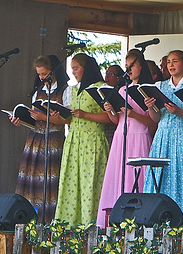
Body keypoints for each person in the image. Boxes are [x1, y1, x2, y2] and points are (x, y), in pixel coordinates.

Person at [96, 49, 157, 227]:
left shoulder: (147, 89)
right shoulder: (122, 89)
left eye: (132, 66)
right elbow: (116, 120)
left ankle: (138, 217)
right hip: (121, 137)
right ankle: (115, 217)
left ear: (141, 67)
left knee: (136, 176)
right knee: (118, 176)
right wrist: (110, 110)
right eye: (126, 66)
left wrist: (133, 114)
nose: (128, 69)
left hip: (139, 137)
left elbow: (153, 122)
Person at [11, 55, 69, 222]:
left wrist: (45, 117)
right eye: (39, 74)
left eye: (44, 74)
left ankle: (49, 220)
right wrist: (20, 120)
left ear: (54, 72)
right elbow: (33, 119)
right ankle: (29, 218)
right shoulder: (38, 91)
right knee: (31, 181)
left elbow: (68, 120)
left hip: (54, 139)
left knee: (49, 183)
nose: (42, 78)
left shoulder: (65, 90)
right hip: (35, 139)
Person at [55, 53, 110, 225]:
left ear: (86, 68)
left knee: (90, 184)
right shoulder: (72, 90)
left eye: (76, 68)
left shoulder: (100, 87)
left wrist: (85, 114)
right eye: (71, 69)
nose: (73, 73)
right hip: (74, 141)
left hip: (92, 141)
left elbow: (110, 117)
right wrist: (62, 115)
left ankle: (90, 224)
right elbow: (71, 119)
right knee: (71, 182)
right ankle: (69, 223)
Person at [143, 50, 183, 214]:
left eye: (175, 61)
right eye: (168, 62)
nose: (171, 65)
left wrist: (178, 111)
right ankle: (156, 215)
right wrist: (150, 106)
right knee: (160, 174)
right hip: (163, 135)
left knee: (180, 175)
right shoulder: (159, 86)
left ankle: (181, 214)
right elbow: (156, 118)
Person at [103, 64, 124, 147]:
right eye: (106, 73)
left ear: (118, 78)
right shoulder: (103, 90)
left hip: (117, 129)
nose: (107, 77)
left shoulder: (122, 92)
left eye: (111, 74)